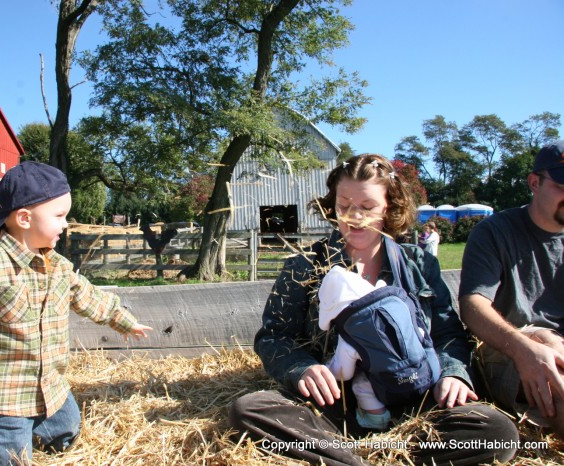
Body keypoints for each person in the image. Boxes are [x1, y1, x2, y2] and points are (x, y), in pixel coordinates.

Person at [229, 154, 518, 465]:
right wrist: (300, 368)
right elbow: (273, 337)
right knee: (248, 411)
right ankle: (353, 458)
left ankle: (365, 457)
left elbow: (448, 333)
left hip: (415, 403)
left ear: (388, 208)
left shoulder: (418, 264)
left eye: (367, 207)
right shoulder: (304, 267)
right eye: (343, 206)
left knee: (498, 431)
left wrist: (453, 374)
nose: (354, 216)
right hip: (332, 409)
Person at [0, 162, 153, 465]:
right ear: (25, 218)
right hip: (3, 391)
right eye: (59, 216)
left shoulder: (59, 267)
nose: (65, 224)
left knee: (67, 429)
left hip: (49, 384)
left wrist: (124, 320)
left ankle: (38, 430)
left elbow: (88, 296)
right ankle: (2, 442)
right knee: (8, 456)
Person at [459, 140, 564, 437]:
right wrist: (524, 348)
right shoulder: (495, 232)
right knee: (548, 350)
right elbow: (473, 305)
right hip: (510, 346)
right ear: (534, 183)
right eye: (562, 186)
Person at [318, 266, 439, 431]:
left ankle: (377, 420)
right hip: (427, 373)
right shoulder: (398, 304)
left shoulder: (351, 329)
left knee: (360, 383)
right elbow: (422, 334)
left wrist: (326, 369)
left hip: (390, 387)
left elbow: (343, 372)